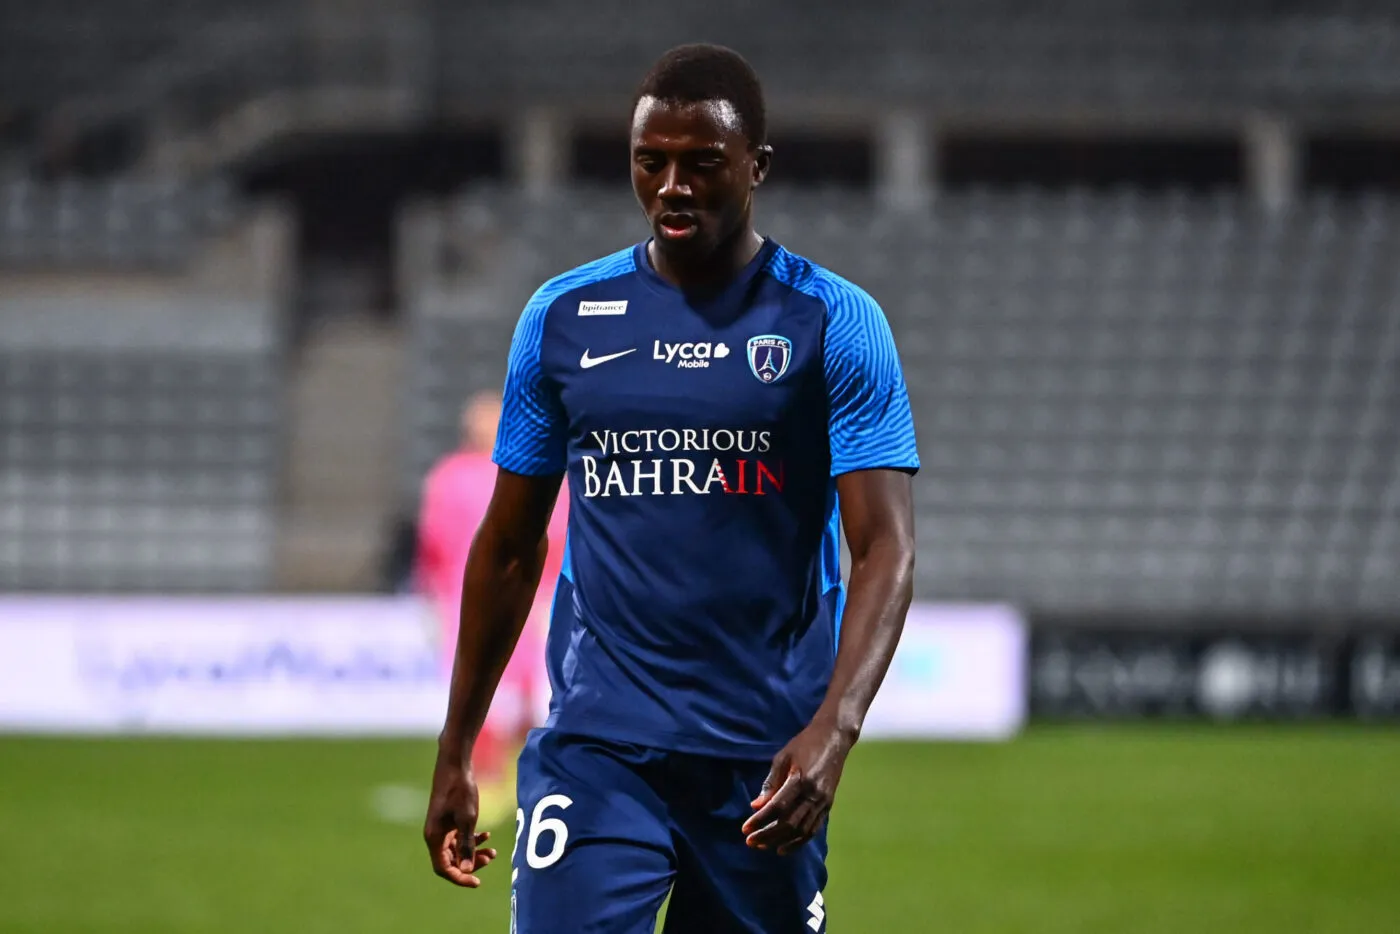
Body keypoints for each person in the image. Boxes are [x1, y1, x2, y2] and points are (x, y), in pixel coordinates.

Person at [424, 43, 918, 933]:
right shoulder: (562, 318)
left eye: (703, 163)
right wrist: (457, 748)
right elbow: (506, 547)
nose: (672, 186)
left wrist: (833, 732)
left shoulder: (835, 322)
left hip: (766, 757)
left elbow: (884, 545)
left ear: (757, 167)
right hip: (598, 742)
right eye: (651, 161)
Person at [416, 390, 567, 827]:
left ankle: (523, 776)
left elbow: (558, 530)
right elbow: (433, 542)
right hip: (463, 596)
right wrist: (431, 594)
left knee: (529, 690)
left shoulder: (530, 467)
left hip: (531, 593)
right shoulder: (450, 475)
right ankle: (485, 776)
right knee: (482, 685)